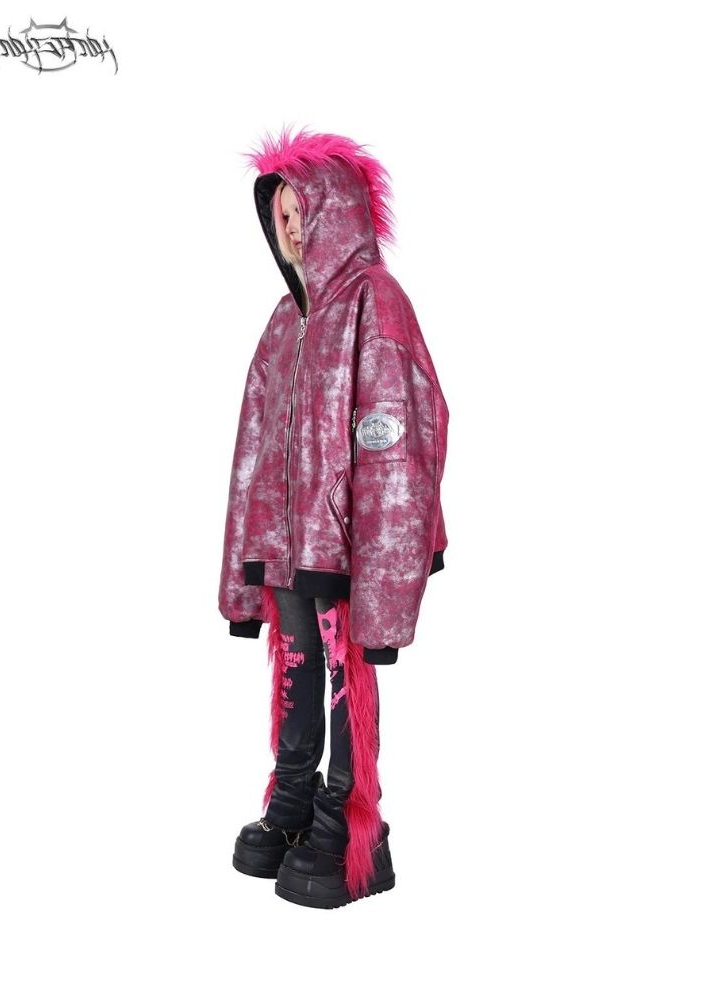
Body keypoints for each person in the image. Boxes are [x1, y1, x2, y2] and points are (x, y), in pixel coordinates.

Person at [219, 125, 450, 907]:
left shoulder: (375, 304)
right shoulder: (285, 321)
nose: (289, 229)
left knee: (346, 671)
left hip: (350, 543)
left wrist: (387, 576)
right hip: (288, 545)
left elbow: (400, 444)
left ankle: (354, 821)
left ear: (335, 212)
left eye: (300, 212)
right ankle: (293, 795)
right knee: (295, 663)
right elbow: (253, 447)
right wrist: (244, 571)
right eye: (278, 215)